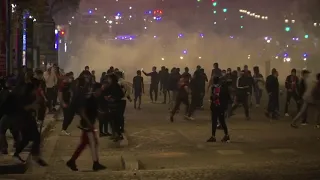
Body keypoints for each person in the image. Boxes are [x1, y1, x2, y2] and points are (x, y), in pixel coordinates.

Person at [66, 83, 106, 171]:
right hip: (87, 125)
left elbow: (94, 111)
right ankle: (95, 164)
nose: (100, 92)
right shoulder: (89, 99)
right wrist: (89, 123)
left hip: (89, 124)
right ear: (96, 90)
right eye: (99, 90)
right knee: (93, 143)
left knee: (84, 144)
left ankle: (72, 161)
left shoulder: (95, 99)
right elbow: (82, 112)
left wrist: (100, 115)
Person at [207, 77, 230, 143]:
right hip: (221, 107)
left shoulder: (215, 88)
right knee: (222, 121)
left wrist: (213, 102)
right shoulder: (223, 89)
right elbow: (228, 99)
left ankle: (213, 136)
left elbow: (215, 97)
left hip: (216, 107)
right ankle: (226, 135)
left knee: (214, 122)